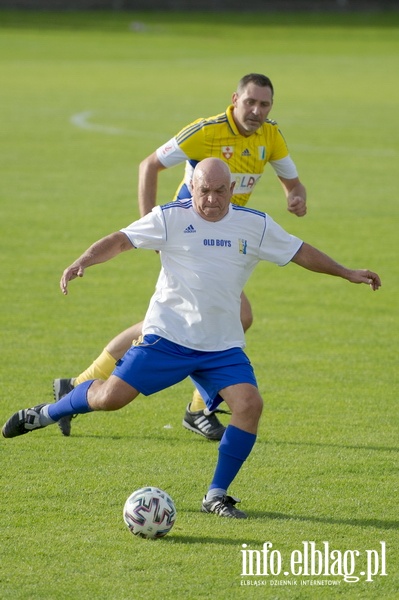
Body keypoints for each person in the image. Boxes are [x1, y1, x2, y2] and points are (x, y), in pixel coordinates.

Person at [2, 158, 381, 519]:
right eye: (204, 191)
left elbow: (299, 251)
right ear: (192, 187)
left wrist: (345, 272)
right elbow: (120, 240)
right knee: (109, 399)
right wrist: (82, 260)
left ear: (232, 189)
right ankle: (46, 413)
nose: (212, 200)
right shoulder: (171, 217)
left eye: (220, 191)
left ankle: (216, 494)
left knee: (249, 404)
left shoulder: (254, 225)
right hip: (168, 336)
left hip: (221, 345)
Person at [54, 73, 308, 440]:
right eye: (250, 102)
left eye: (264, 104)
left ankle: (79, 383)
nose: (256, 111)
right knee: (227, 316)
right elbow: (149, 165)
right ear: (234, 99)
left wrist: (296, 197)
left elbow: (293, 183)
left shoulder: (271, 135)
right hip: (188, 234)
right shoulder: (206, 132)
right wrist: (151, 228)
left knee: (163, 325)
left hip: (223, 234)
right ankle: (197, 407)